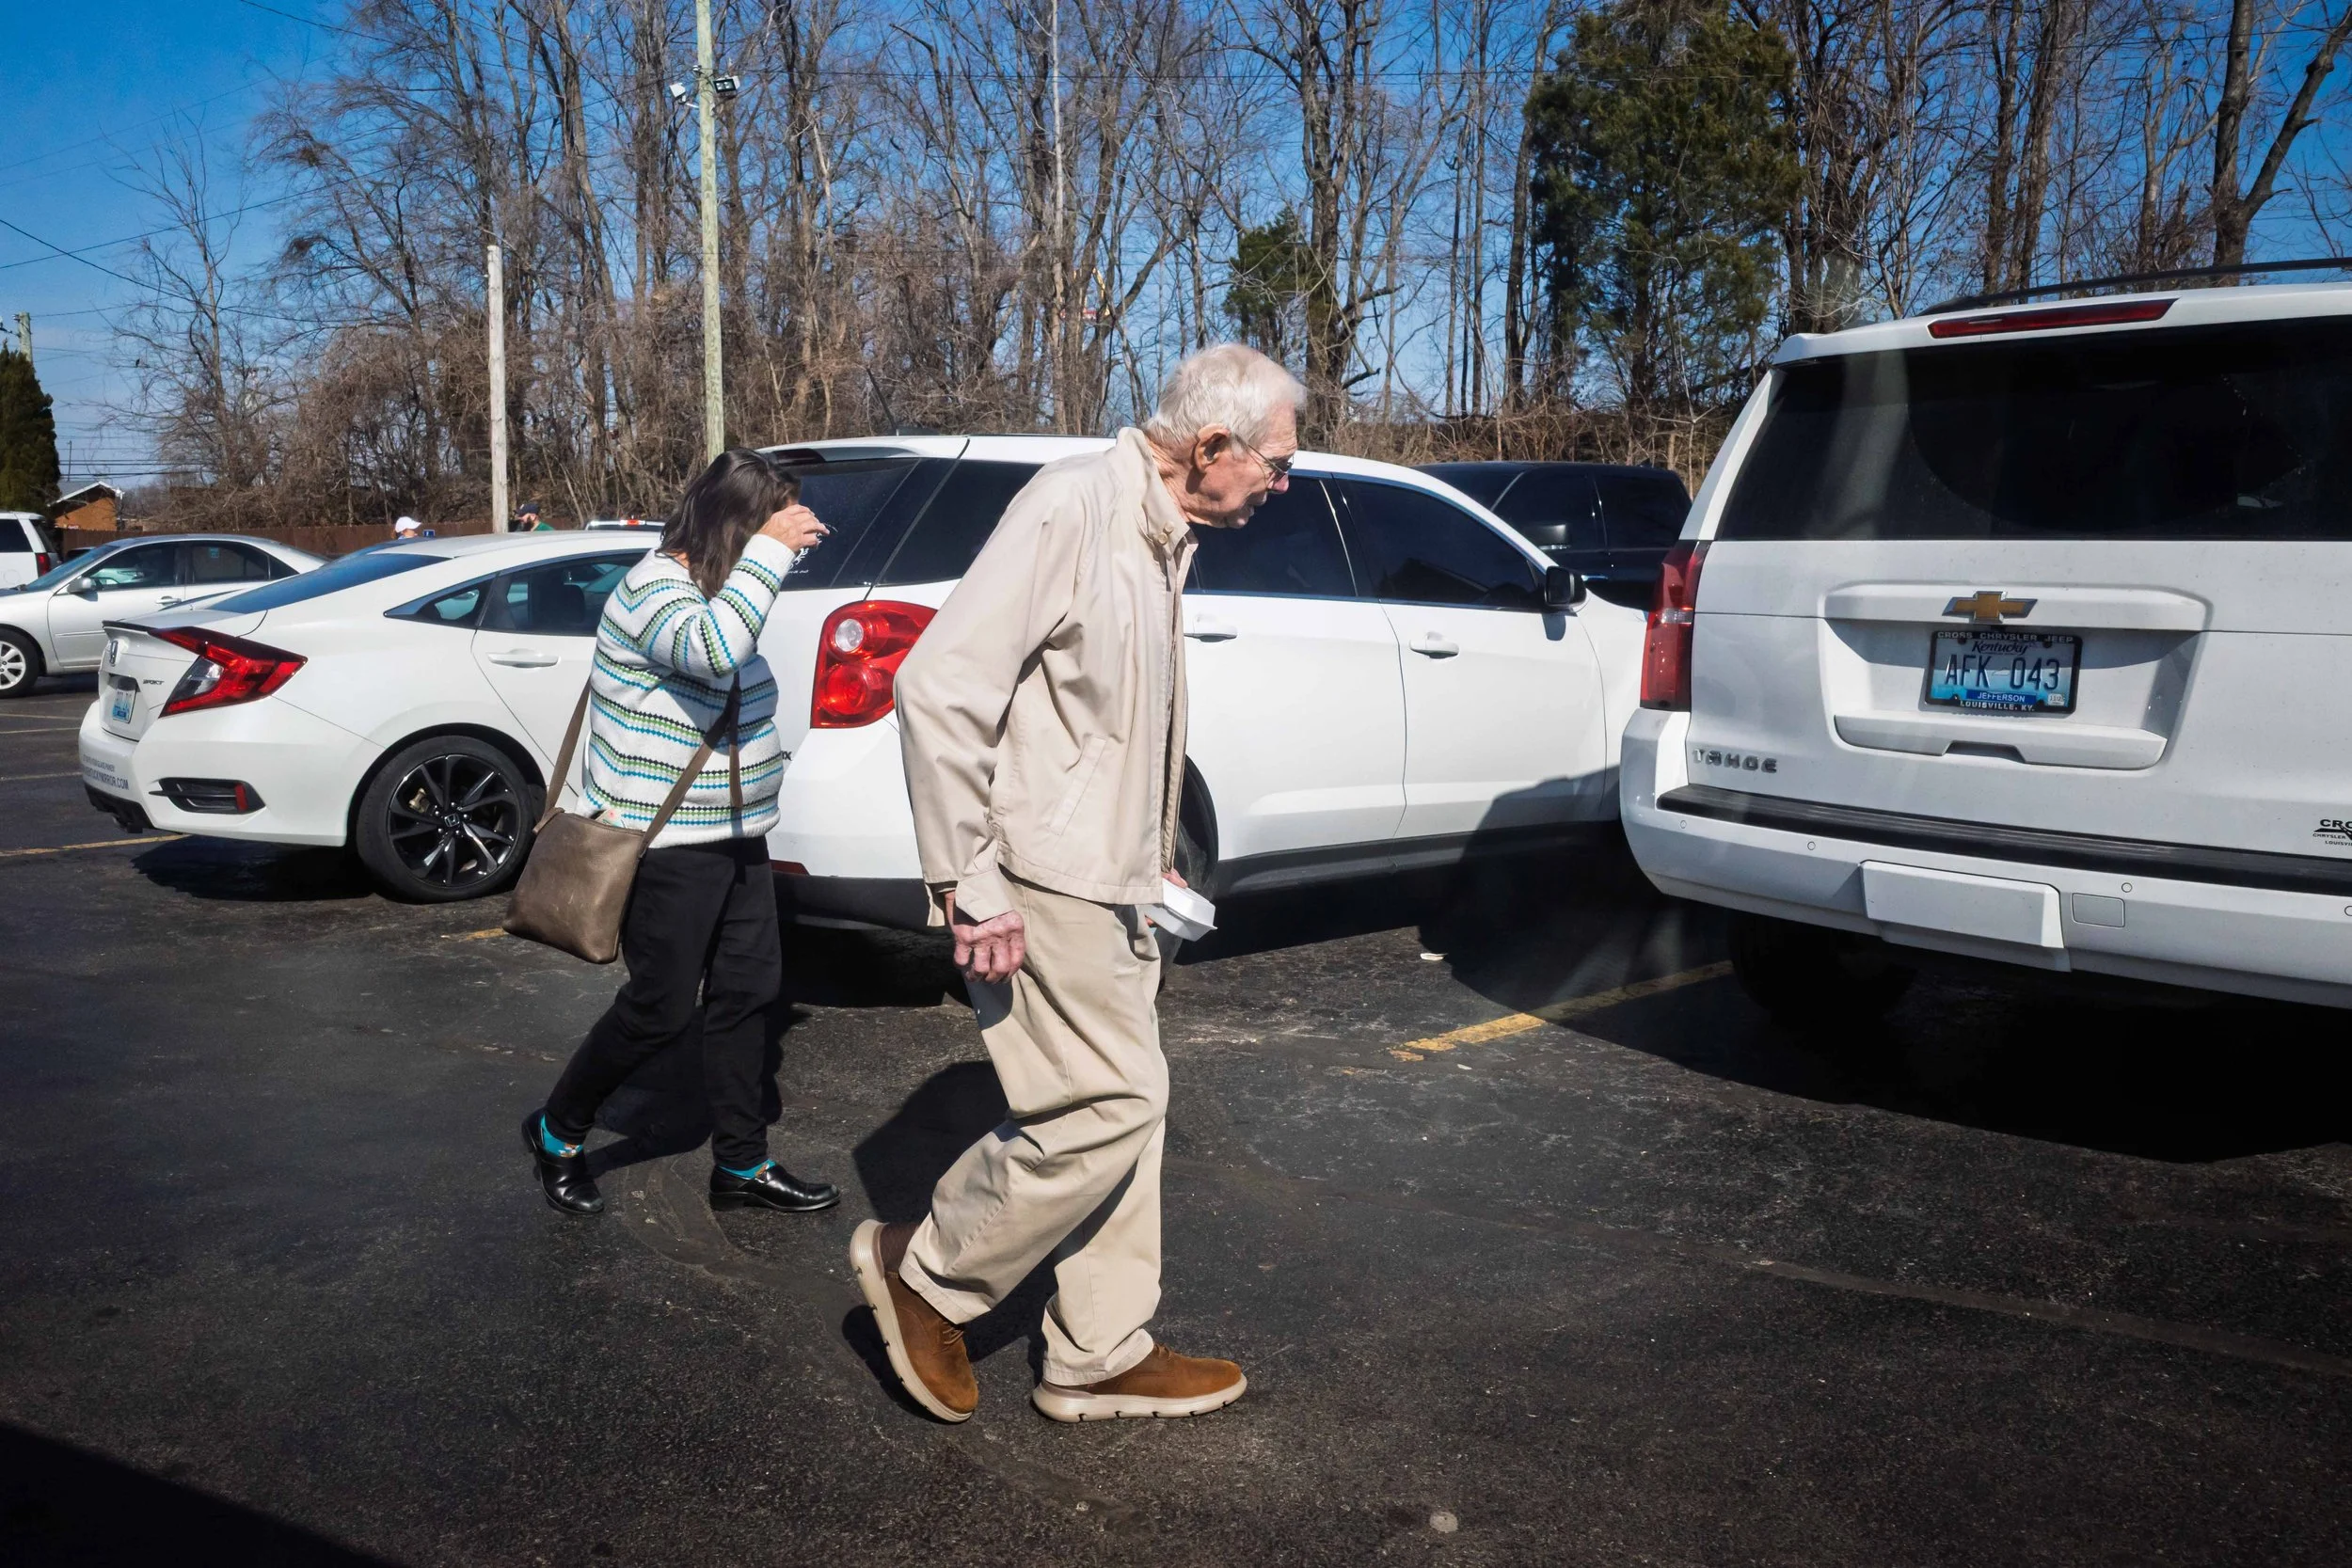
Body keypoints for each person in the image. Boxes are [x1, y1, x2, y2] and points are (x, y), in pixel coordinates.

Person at [850, 343, 1304, 1423]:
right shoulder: (1074, 508)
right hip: (1038, 876)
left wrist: (1147, 849)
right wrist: (970, 880)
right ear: (1210, 446)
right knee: (1112, 1099)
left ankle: (1098, 1347)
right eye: (1275, 464)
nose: (1282, 484)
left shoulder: (1161, 530)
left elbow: (1092, 716)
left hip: (1109, 877)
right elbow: (940, 686)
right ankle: (927, 1269)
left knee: (1130, 1112)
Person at [521, 450, 836, 1218]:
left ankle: (740, 1162)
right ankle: (557, 1130)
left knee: (747, 994)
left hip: (735, 836)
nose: (786, 548)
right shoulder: (650, 590)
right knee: (659, 1009)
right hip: (660, 845)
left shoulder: (712, 589)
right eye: (771, 527)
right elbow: (715, 652)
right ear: (736, 524)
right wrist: (769, 552)